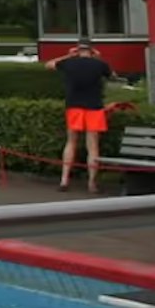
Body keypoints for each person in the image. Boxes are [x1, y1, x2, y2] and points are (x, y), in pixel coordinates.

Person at [46, 39, 115, 193]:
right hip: (94, 108)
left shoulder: (69, 63)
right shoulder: (99, 64)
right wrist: (98, 57)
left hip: (74, 106)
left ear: (77, 50)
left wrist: (68, 56)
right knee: (93, 146)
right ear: (92, 50)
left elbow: (49, 64)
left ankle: (64, 180)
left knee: (71, 142)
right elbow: (112, 74)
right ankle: (92, 183)